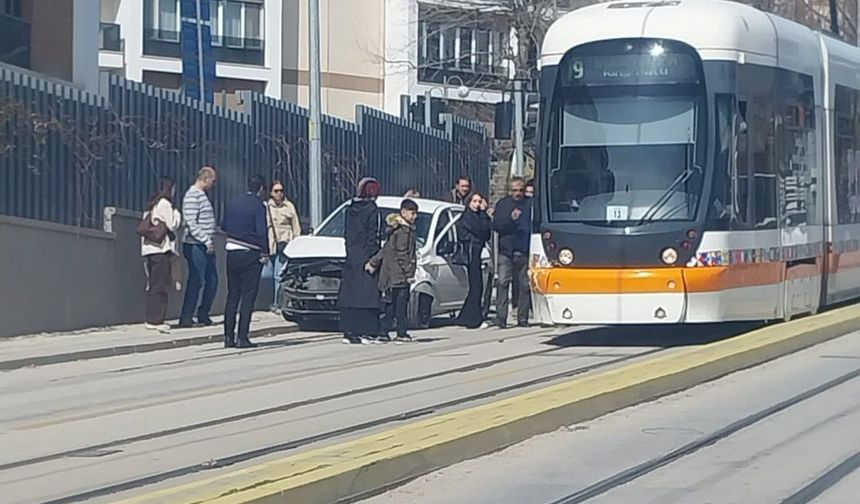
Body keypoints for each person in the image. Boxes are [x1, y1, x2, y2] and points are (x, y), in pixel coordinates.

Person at [222, 175, 270, 348]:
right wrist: (265, 252)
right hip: (250, 253)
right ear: (261, 189)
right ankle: (242, 337)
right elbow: (261, 231)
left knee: (232, 295)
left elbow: (224, 226)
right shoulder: (259, 206)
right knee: (248, 296)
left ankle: (228, 336)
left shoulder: (233, 202)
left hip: (231, 252)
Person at [337, 177, 383, 345]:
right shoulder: (372, 210)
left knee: (350, 294)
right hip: (366, 256)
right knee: (368, 295)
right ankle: (367, 332)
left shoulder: (350, 209)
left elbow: (347, 233)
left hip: (351, 255)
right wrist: (374, 258)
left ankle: (349, 332)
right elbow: (373, 235)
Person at [367, 199, 419, 343]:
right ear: (403, 212)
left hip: (390, 275)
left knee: (390, 305)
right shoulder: (403, 231)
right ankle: (401, 333)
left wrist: (374, 262)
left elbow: (386, 249)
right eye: (412, 213)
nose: (415, 216)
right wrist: (409, 274)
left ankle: (384, 332)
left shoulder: (395, 230)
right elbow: (403, 254)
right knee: (400, 306)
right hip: (399, 275)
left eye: (415, 213)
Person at [141, 177, 182, 334]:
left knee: (154, 284)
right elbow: (172, 225)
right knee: (160, 285)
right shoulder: (165, 204)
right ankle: (155, 320)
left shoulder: (152, 204)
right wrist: (177, 213)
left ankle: (154, 318)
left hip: (151, 250)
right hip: (160, 250)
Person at [180, 166, 218, 328]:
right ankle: (187, 317)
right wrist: (205, 239)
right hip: (195, 245)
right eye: (213, 181)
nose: (214, 184)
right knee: (197, 280)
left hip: (205, 245)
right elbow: (191, 222)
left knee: (212, 280)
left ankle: (204, 313)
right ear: (205, 178)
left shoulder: (202, 196)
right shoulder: (192, 196)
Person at [493, 178, 532, 328]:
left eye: (520, 190)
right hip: (506, 251)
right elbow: (497, 225)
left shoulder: (530, 204)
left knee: (524, 285)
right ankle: (501, 317)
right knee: (503, 283)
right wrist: (511, 219)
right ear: (510, 190)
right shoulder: (503, 204)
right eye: (515, 190)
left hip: (524, 250)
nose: (518, 193)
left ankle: (523, 318)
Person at [456, 192, 492, 329]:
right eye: (474, 201)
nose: (477, 204)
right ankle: (473, 320)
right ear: (469, 202)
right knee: (475, 287)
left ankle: (466, 316)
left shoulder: (479, 216)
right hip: (471, 255)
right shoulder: (467, 217)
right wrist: (483, 214)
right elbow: (479, 230)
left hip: (477, 254)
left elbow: (487, 231)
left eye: (479, 201)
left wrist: (483, 214)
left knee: (477, 287)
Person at [265, 180, 301, 312]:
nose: (279, 193)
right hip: (270, 246)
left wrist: (295, 244)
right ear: (270, 193)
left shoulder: (289, 206)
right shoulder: (266, 207)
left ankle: (277, 303)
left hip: (285, 245)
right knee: (266, 276)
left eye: (281, 191)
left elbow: (296, 227)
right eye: (276, 191)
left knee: (278, 276)